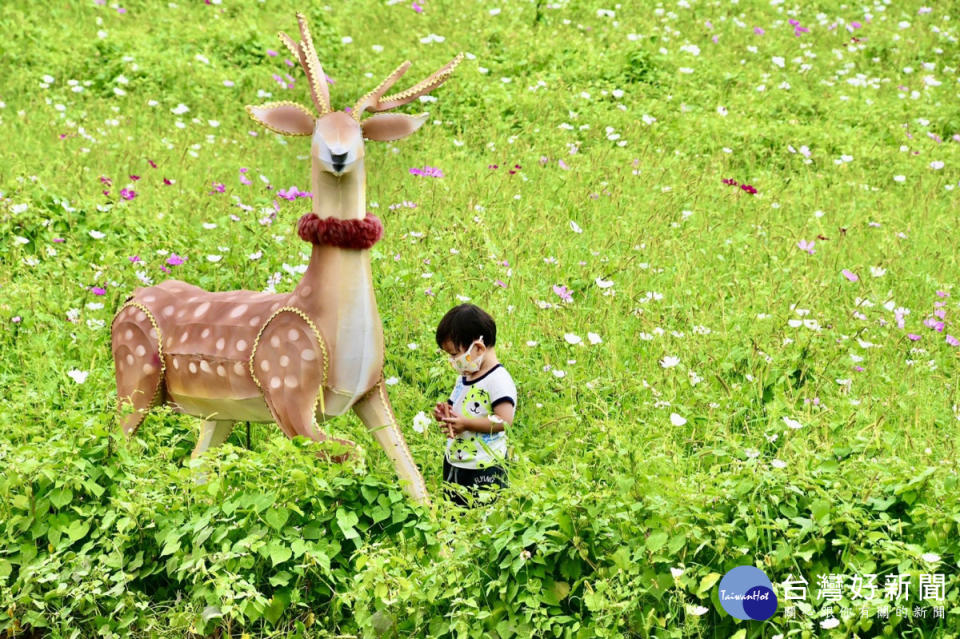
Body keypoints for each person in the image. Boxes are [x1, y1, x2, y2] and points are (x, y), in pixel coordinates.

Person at [432, 303, 516, 507]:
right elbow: (459, 407)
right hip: (457, 461)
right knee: (453, 514)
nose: (452, 361)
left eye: (454, 354)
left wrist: (467, 424)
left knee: (481, 519)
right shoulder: (464, 376)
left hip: (484, 467)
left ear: (478, 348)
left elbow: (504, 421)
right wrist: (446, 415)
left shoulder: (498, 380)